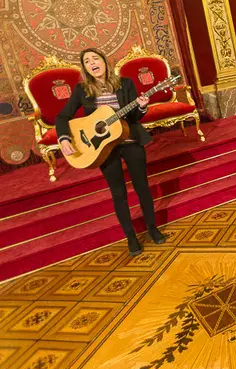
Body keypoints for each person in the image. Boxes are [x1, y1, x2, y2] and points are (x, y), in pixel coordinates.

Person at [56, 48, 165, 256]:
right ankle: (131, 239)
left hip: (130, 139)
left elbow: (134, 117)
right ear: (85, 68)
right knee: (118, 193)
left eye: (95, 58)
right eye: (87, 61)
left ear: (105, 61)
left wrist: (141, 107)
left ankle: (152, 229)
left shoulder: (126, 84)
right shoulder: (82, 90)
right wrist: (63, 138)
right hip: (103, 149)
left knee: (142, 187)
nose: (92, 63)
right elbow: (62, 117)